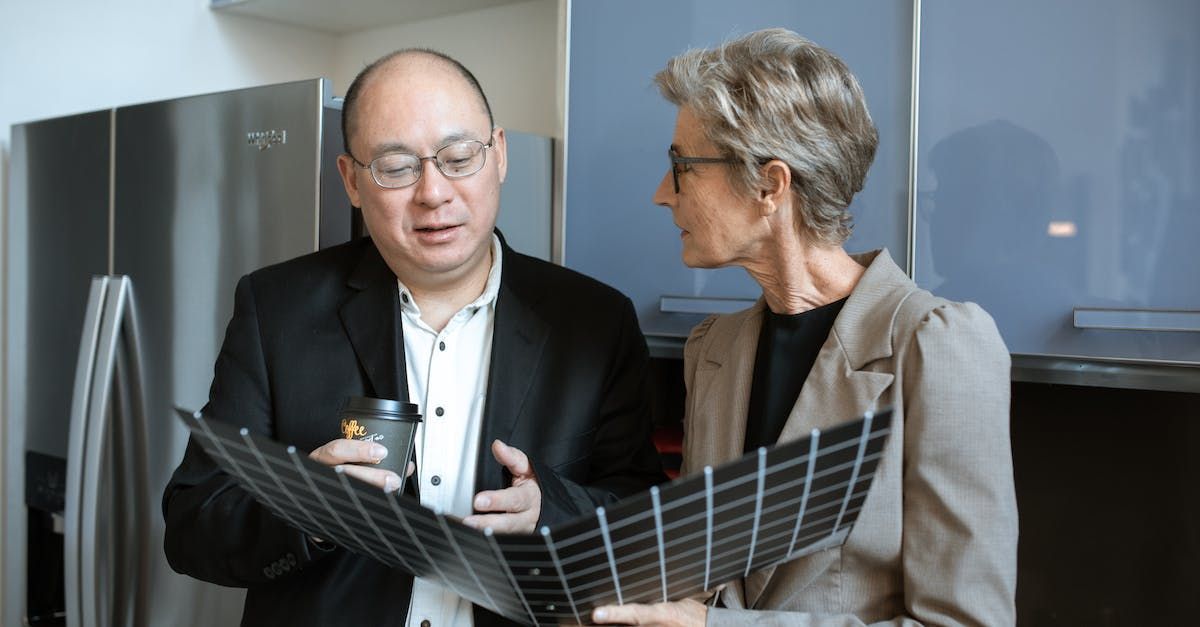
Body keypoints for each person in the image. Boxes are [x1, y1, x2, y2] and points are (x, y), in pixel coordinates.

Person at [162, 49, 666, 627]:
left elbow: (641, 521)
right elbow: (192, 523)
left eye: (458, 158)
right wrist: (306, 506)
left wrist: (548, 510)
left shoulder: (595, 321)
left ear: (499, 155)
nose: (433, 192)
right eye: (397, 168)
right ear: (352, 180)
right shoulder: (277, 309)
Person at [593, 29, 1018, 626]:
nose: (664, 194)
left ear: (770, 184)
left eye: (682, 166)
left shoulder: (934, 344)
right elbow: (705, 580)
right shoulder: (713, 349)